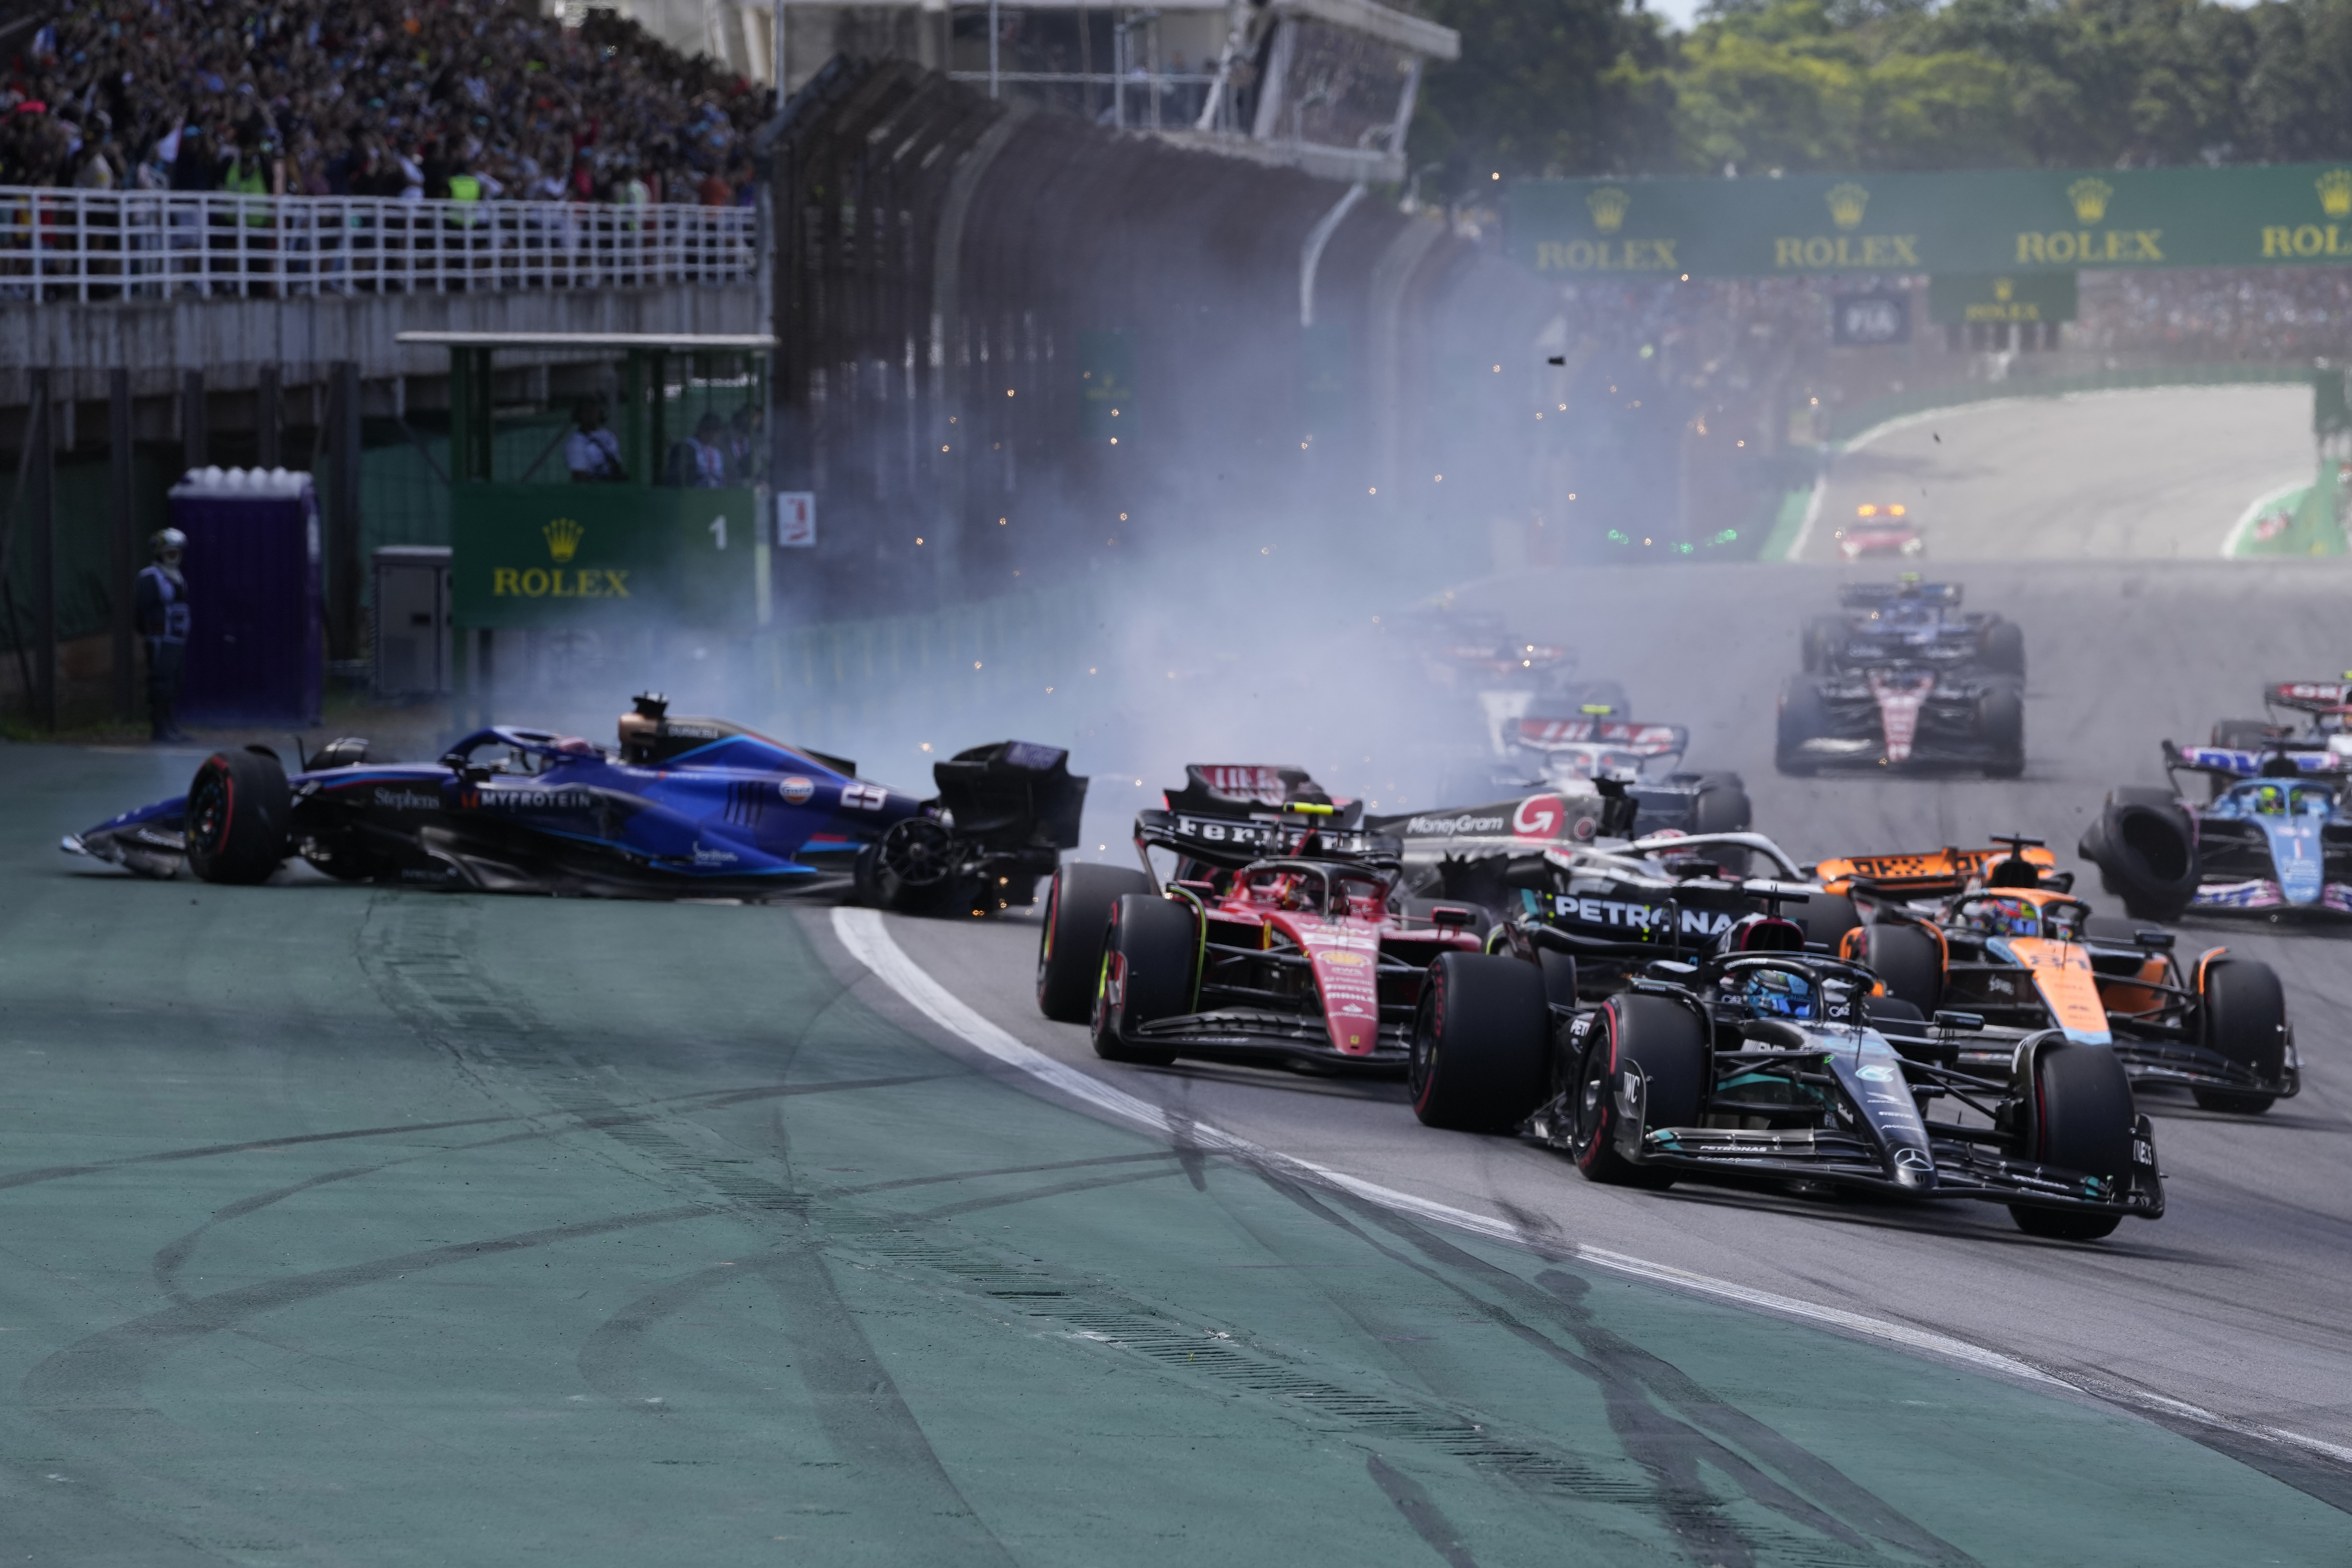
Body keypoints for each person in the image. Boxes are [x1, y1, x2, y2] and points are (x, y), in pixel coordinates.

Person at [134, 528, 191, 742]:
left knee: (174, 682)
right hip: (161, 639)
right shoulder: (150, 577)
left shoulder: (177, 577)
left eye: (177, 553)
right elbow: (141, 611)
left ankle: (171, 725)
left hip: (177, 639)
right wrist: (150, 632)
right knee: (161, 682)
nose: (174, 558)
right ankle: (159, 729)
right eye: (169, 553)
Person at [564, 397, 626, 482]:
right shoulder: (576, 441)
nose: (591, 415)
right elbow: (580, 476)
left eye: (594, 411)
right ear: (579, 414)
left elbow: (616, 465)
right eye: (587, 411)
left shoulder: (608, 436)